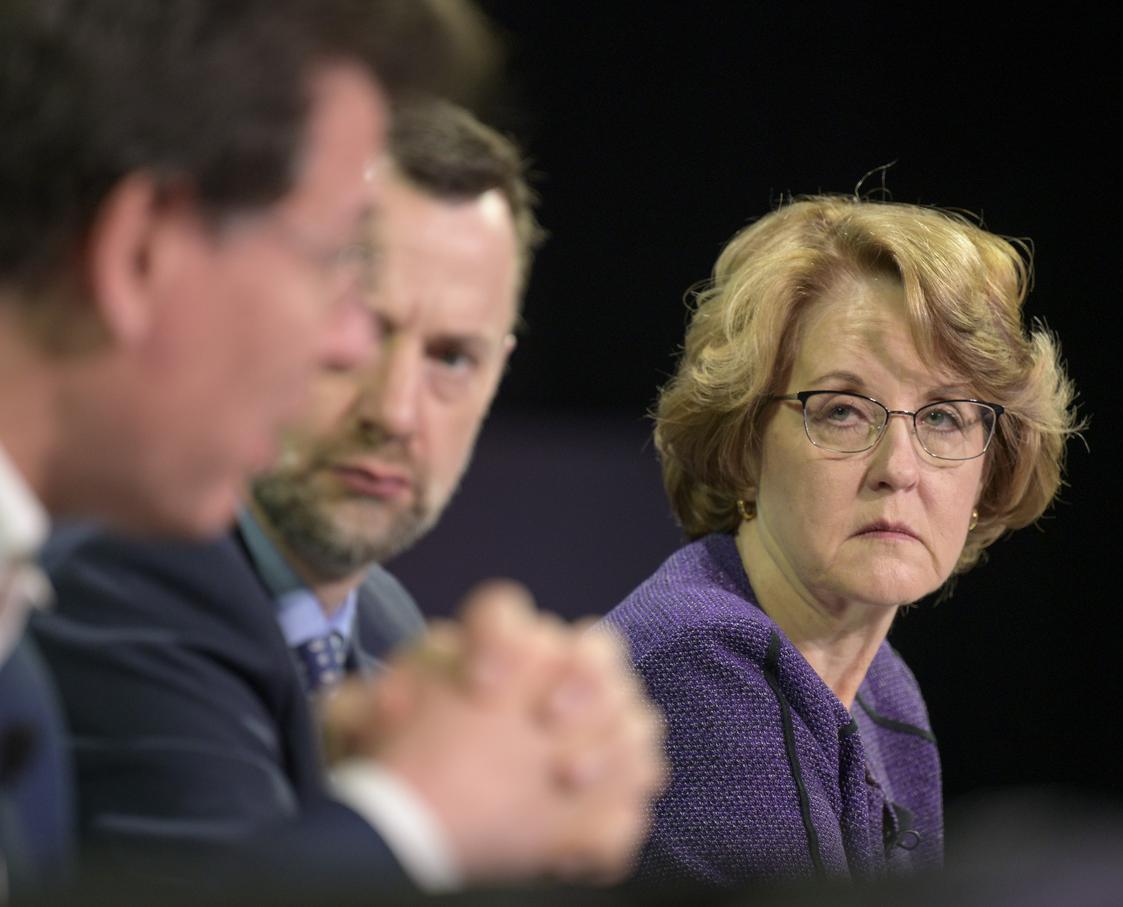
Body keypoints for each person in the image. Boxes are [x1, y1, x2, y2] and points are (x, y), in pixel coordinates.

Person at [0, 0, 661, 896]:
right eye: (326, 265)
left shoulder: (23, 635)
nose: (353, 356)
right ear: (138, 252)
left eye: (452, 356)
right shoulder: (121, 572)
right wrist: (425, 818)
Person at [605, 195, 1079, 885]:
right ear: (744, 444)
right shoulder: (702, 663)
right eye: (842, 411)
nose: (898, 469)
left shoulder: (885, 692)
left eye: (944, 416)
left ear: (991, 467)